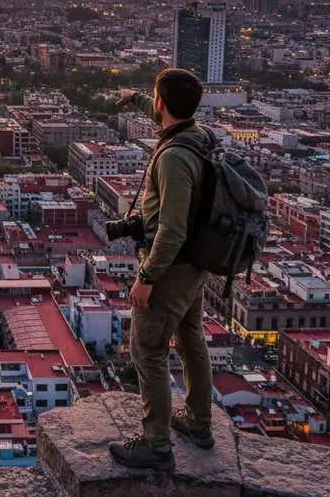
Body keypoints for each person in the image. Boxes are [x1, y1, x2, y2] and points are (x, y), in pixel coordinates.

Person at [108, 68, 215, 471]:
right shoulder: (197, 136)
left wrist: (146, 278)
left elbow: (171, 229)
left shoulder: (172, 159)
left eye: (154, 98)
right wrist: (135, 98)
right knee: (190, 339)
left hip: (171, 266)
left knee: (148, 350)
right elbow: (167, 120)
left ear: (163, 103)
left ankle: (156, 445)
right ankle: (199, 423)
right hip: (196, 263)